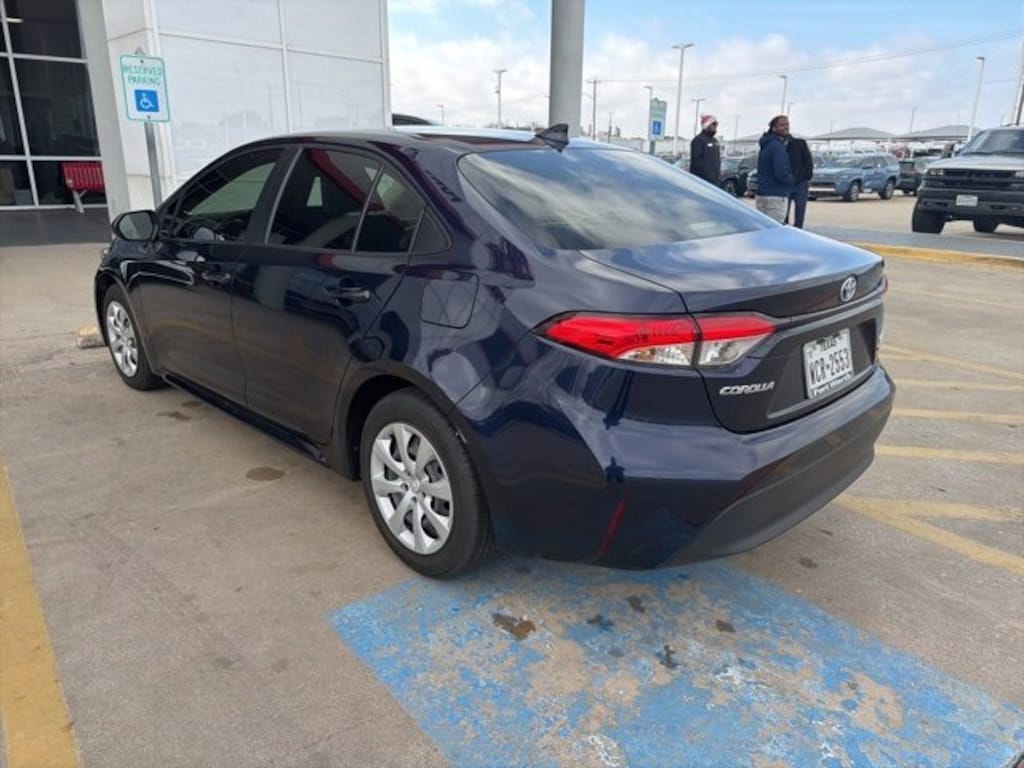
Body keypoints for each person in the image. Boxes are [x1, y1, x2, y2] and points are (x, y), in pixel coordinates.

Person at [755, 115, 795, 223]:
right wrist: (791, 180)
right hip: (776, 196)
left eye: (787, 124)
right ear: (774, 128)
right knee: (775, 231)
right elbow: (781, 172)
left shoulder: (765, 146)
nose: (786, 127)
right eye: (782, 125)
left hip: (762, 195)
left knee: (763, 229)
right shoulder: (777, 146)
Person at [786, 134, 813, 228]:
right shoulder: (777, 145)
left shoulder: (800, 143)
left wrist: (807, 177)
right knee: (784, 211)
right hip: (785, 183)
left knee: (800, 210)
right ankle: (785, 229)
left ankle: (798, 229)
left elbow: (808, 161)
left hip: (800, 182)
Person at [689, 114, 721, 185]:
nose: (716, 126)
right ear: (706, 125)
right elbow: (697, 162)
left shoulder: (715, 141)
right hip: (702, 182)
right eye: (713, 124)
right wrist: (709, 177)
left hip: (715, 181)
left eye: (716, 124)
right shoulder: (698, 140)